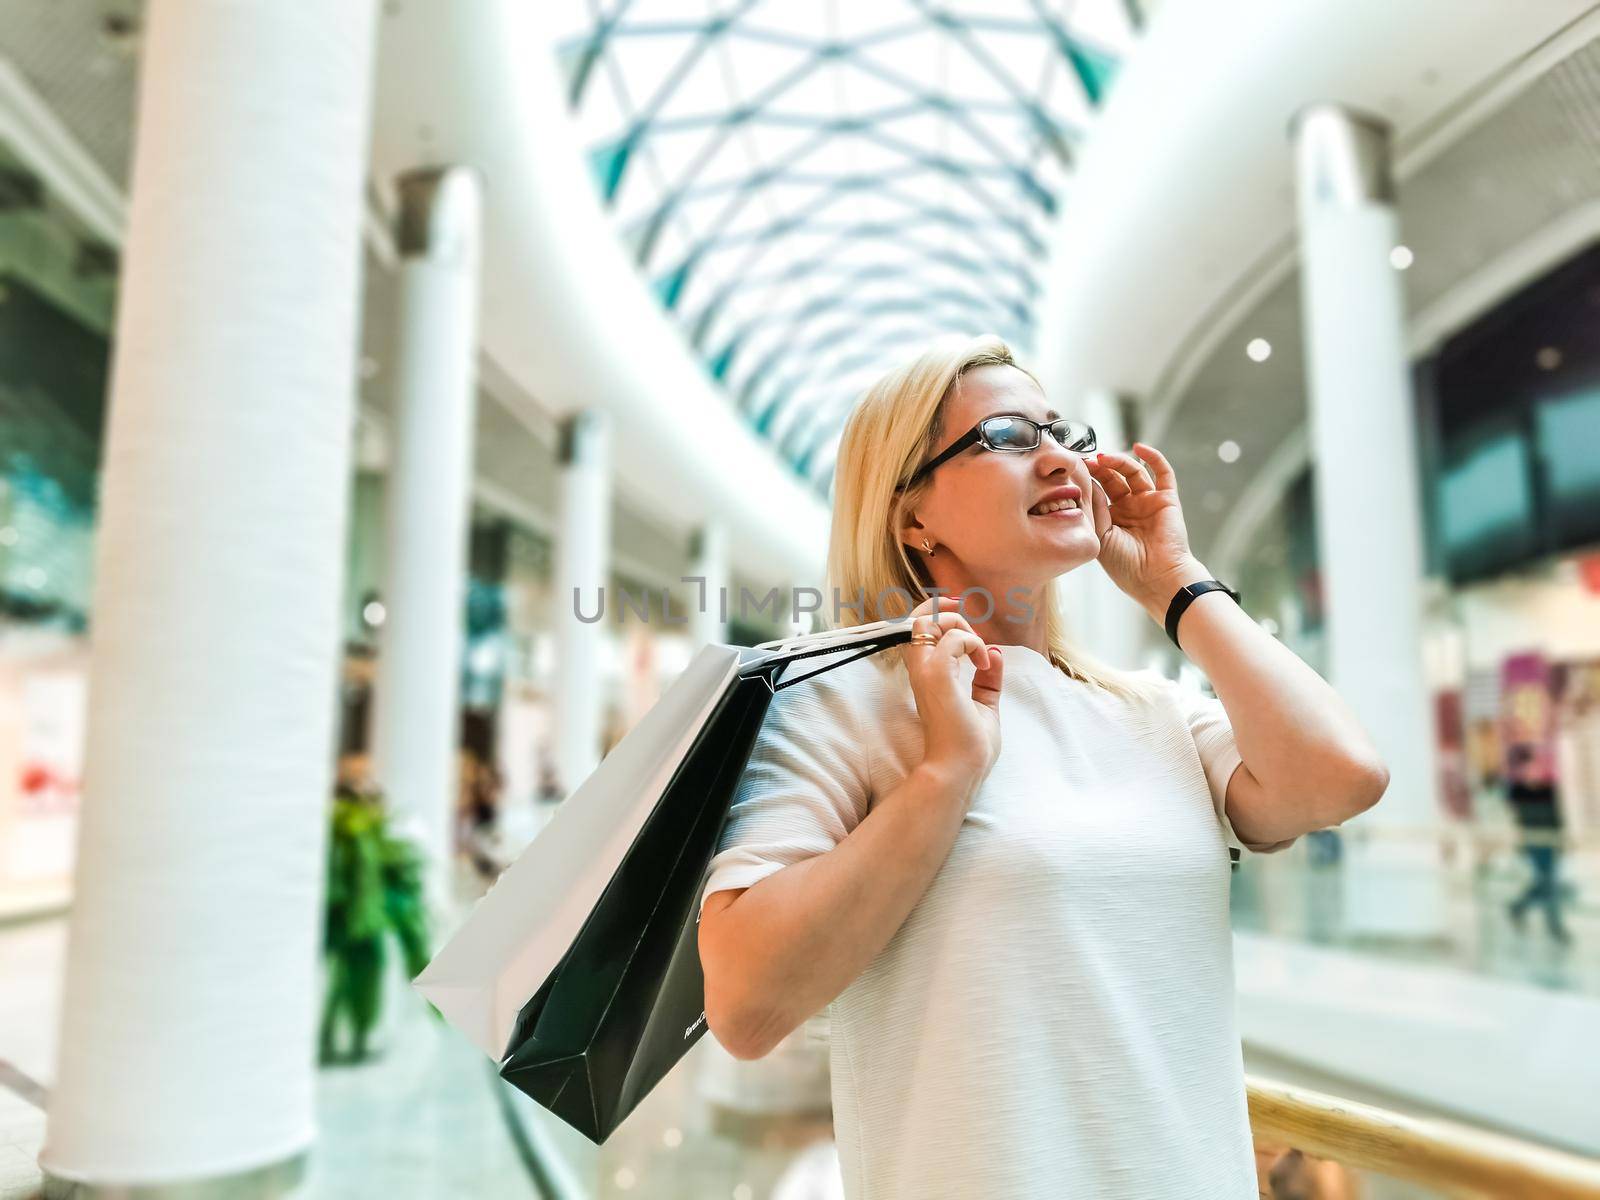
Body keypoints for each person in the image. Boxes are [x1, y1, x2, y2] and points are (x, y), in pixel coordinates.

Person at [696, 336, 1389, 1199]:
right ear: (912, 515)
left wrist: (1175, 582)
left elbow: (1341, 777)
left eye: (1063, 432)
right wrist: (946, 776)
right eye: (1007, 438)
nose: (1061, 457)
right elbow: (745, 1003)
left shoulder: (1153, 709)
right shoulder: (842, 704)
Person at [1505, 743, 1570, 945]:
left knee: (1547, 882)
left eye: (1530, 763)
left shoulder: (1549, 787)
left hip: (1550, 840)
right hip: (1533, 842)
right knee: (1548, 882)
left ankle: (1518, 907)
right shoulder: (1517, 790)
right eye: (1523, 765)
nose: (1528, 768)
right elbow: (1518, 817)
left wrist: (1562, 840)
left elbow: (1557, 817)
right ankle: (1554, 926)